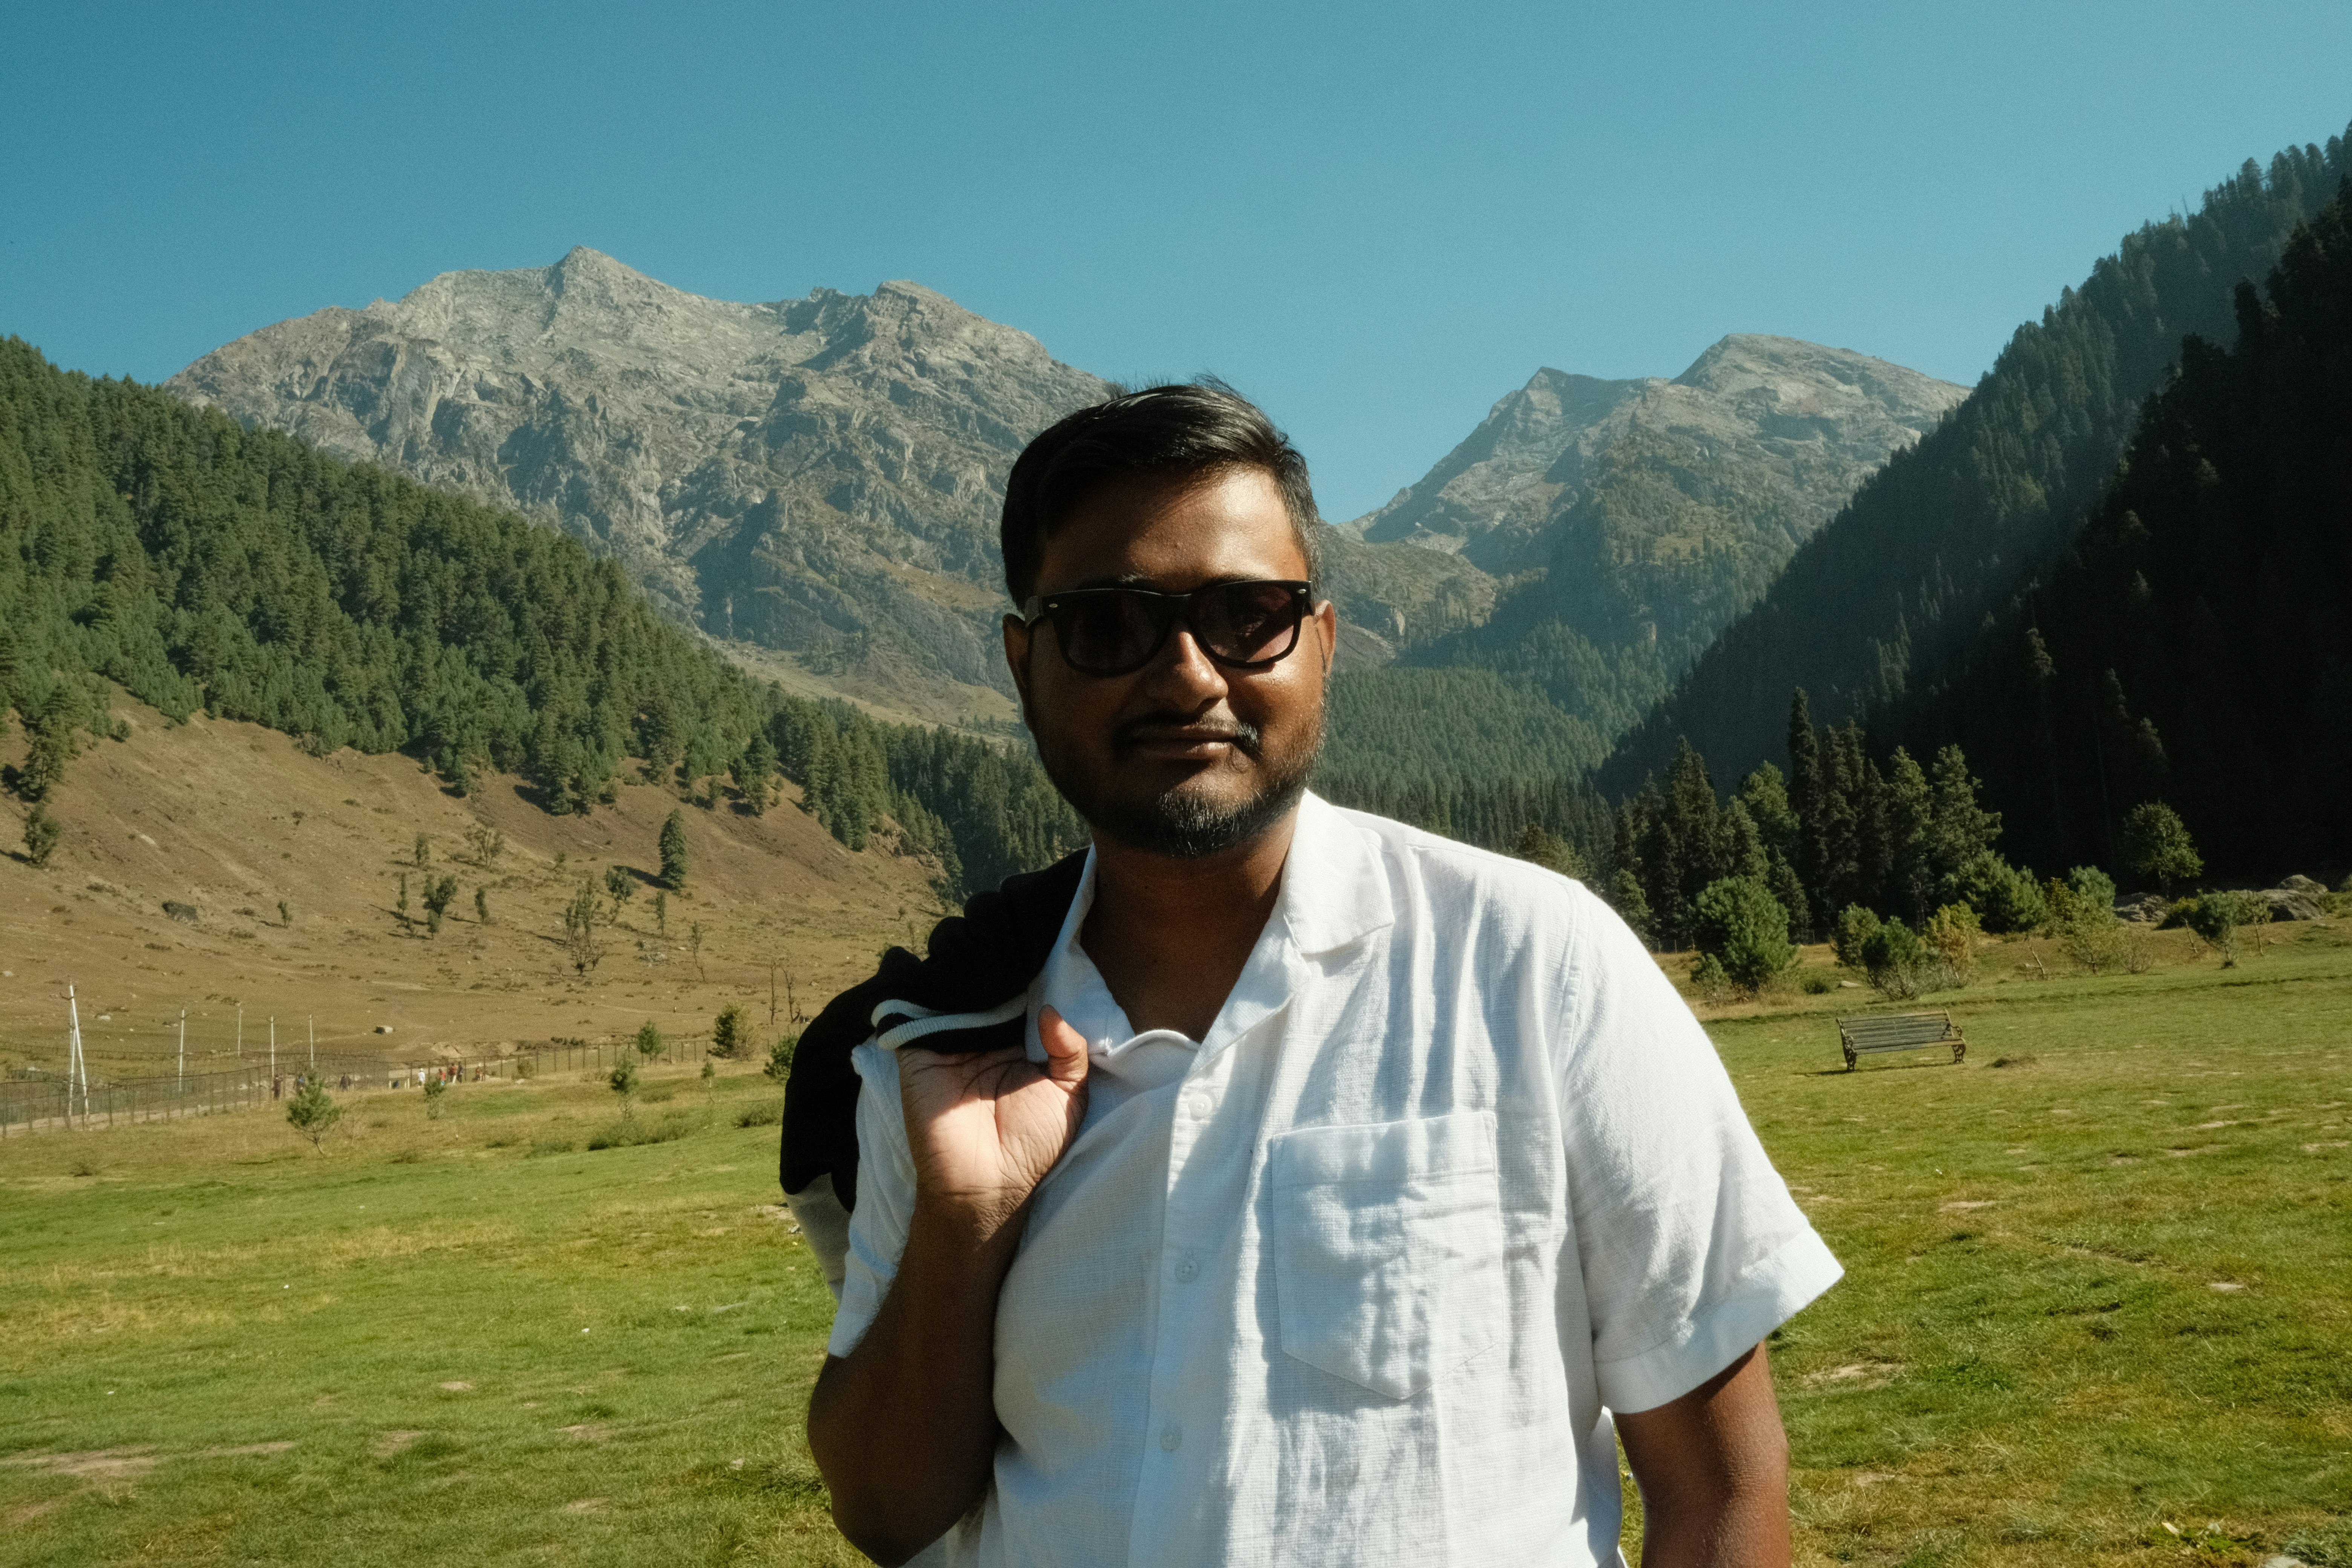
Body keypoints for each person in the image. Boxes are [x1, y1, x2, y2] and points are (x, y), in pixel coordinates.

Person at [792, 382, 1841, 1567]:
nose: (1188, 674)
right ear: (1025, 664)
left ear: (1323, 645)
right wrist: (964, 1224)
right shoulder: (945, 1041)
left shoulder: (1535, 966)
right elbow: (883, 1512)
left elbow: (1721, 1495)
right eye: (1108, 625)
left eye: (1249, 614)